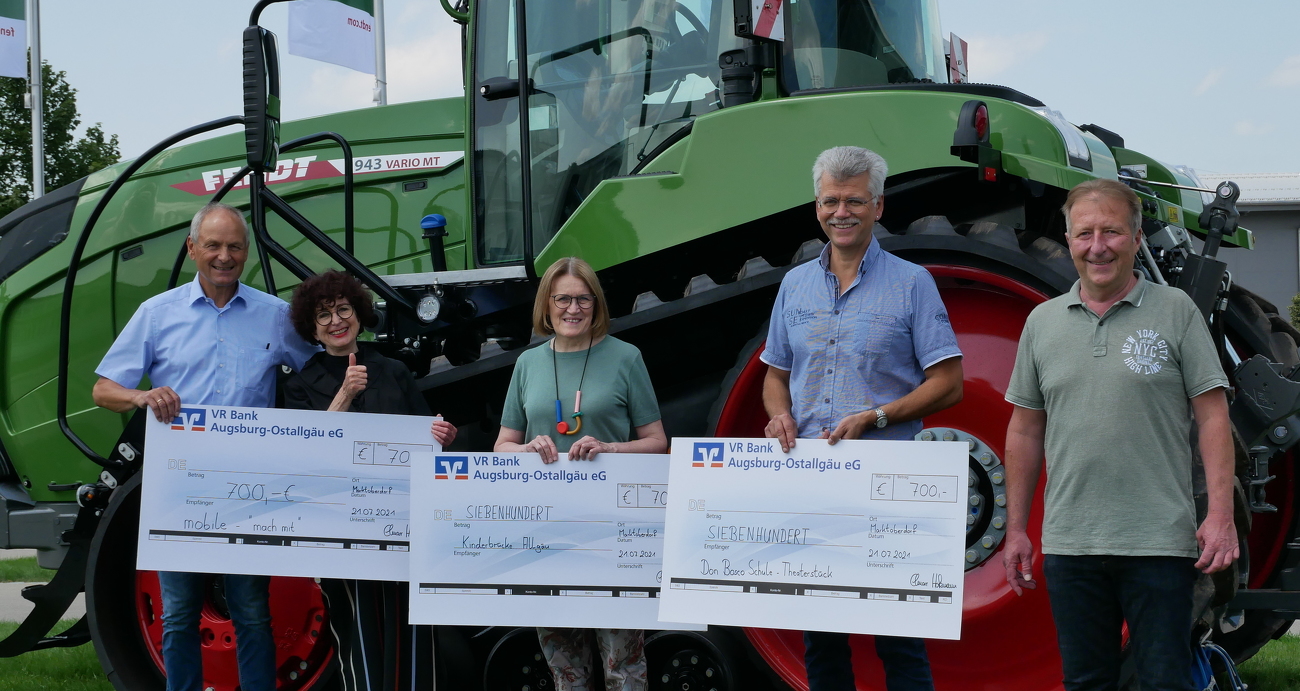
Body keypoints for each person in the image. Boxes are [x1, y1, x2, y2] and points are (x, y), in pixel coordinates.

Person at [1002, 178, 1237, 691]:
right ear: (1069, 241)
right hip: (1071, 545)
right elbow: (1024, 429)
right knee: (1086, 682)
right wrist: (1016, 529)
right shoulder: (1042, 323)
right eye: (1085, 234)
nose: (1098, 246)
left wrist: (1220, 515)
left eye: (1111, 231)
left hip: (1159, 542)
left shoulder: (1175, 311)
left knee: (1163, 682)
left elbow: (1213, 416)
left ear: (1134, 239)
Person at [760, 146, 964, 691]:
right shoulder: (793, 285)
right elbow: (775, 374)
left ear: (877, 206)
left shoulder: (912, 282)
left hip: (887, 487)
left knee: (898, 638)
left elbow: (949, 383)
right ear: (816, 206)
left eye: (854, 201)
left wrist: (876, 416)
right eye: (830, 201)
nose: (840, 212)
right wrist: (779, 416)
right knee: (821, 641)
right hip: (812, 485)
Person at [92, 202, 318, 691]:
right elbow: (103, 389)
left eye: (234, 246)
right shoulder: (156, 314)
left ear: (247, 253)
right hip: (179, 489)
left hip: (250, 490)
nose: (224, 256)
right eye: (213, 245)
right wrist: (141, 394)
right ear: (192, 248)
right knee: (178, 616)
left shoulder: (276, 317)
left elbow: (321, 373)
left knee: (253, 612)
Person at [494, 256, 667, 691]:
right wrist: (527, 449)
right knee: (565, 668)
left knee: (623, 665)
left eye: (583, 299)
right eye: (563, 299)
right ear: (547, 306)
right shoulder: (527, 365)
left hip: (614, 533)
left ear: (596, 303)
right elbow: (502, 445)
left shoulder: (627, 358)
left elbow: (657, 441)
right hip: (547, 534)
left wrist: (611, 448)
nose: (573, 309)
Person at [281, 269, 456, 691]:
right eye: (324, 315)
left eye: (343, 309)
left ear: (358, 314)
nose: (336, 320)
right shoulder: (300, 383)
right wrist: (344, 394)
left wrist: (442, 437)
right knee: (358, 633)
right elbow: (303, 455)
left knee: (411, 631)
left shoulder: (393, 369)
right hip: (340, 530)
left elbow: (425, 437)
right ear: (312, 327)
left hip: (402, 527)